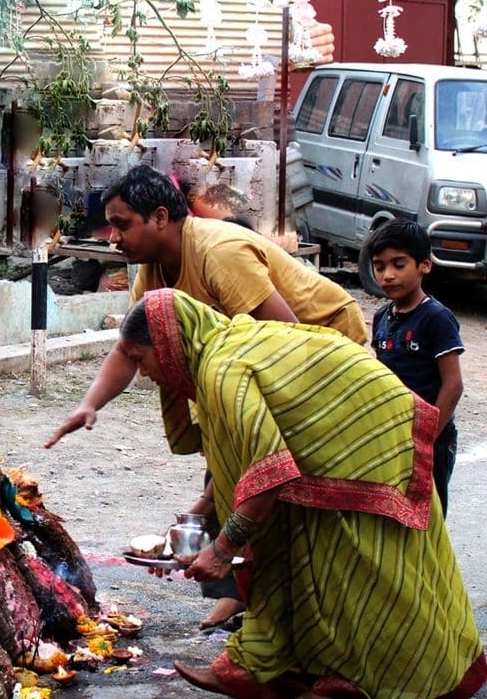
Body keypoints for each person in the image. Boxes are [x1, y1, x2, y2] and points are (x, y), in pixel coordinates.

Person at [46, 164, 366, 630]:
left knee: (272, 478)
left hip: (317, 356)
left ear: (159, 217)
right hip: (255, 367)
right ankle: (245, 596)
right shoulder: (153, 272)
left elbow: (289, 341)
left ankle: (271, 607)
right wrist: (89, 404)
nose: (112, 238)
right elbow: (132, 344)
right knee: (233, 464)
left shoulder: (220, 252)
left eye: (121, 224)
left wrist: (216, 490)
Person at [123, 289, 485, 698]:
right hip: (327, 451)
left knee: (374, 574)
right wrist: (193, 523)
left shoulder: (222, 369)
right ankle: (268, 669)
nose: (143, 374)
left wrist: (223, 550)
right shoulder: (220, 350)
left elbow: (270, 473)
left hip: (370, 449)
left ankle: (414, 680)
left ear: (169, 343)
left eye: (140, 359)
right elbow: (242, 466)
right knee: (298, 550)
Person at [364, 220, 464, 515]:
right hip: (393, 431)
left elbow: (453, 384)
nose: (388, 275)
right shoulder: (382, 317)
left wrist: (427, 438)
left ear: (424, 265)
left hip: (431, 436)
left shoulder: (436, 317)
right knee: (394, 508)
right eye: (379, 267)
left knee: (429, 512)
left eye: (399, 264)